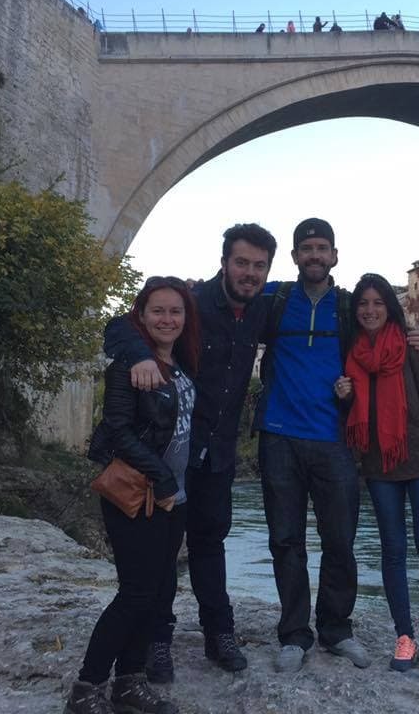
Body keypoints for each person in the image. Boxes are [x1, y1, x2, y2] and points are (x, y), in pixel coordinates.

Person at [254, 219, 419, 674]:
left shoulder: (348, 307)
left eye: (322, 248)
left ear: (334, 256)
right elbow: (221, 315)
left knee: (340, 542)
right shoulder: (272, 299)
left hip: (334, 440)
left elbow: (384, 332)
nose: (314, 255)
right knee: (285, 540)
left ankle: (336, 629)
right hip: (279, 436)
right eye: (306, 248)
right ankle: (294, 635)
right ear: (295, 257)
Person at [103, 224, 277, 681]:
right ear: (224, 263)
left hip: (218, 456)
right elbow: (120, 325)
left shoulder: (265, 308)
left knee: (210, 545)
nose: (249, 273)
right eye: (241, 262)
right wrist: (141, 355)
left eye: (259, 266)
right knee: (163, 554)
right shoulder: (193, 302)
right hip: (173, 452)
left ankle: (219, 634)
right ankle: (158, 642)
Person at [64, 277, 200, 714]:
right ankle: (86, 688)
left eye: (175, 311)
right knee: (136, 592)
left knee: (159, 592)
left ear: (185, 318)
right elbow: (119, 430)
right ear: (140, 316)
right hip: (138, 493)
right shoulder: (130, 364)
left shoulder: (179, 365)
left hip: (172, 497)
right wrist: (161, 476)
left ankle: (129, 682)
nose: (167, 319)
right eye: (157, 311)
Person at [334, 274, 419, 673]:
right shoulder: (351, 355)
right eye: (363, 304)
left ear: (389, 307)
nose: (369, 310)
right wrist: (344, 396)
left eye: (377, 303)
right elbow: (354, 416)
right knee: (393, 550)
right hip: (379, 464)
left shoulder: (410, 345)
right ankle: (404, 635)